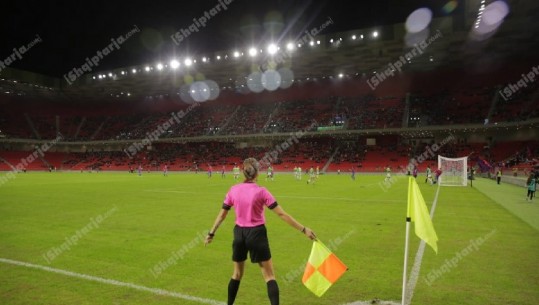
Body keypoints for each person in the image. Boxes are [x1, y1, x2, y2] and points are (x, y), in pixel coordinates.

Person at [205, 158, 316, 305]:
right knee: (269, 276)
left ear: (244, 172)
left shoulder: (233, 189)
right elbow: (282, 214)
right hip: (257, 233)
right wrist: (304, 229)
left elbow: (222, 214)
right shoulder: (261, 191)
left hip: (239, 234)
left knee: (237, 274)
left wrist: (211, 233)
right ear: (257, 173)